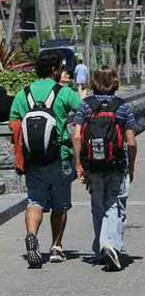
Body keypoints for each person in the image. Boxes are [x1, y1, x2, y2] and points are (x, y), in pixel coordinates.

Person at [9, 53, 80, 268]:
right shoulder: (64, 92)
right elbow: (83, 113)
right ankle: (56, 247)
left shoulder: (23, 94)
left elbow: (14, 124)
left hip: (33, 159)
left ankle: (32, 236)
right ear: (54, 70)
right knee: (60, 205)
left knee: (35, 201)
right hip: (60, 157)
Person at [72, 66, 138, 271]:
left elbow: (76, 136)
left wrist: (79, 164)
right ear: (115, 81)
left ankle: (101, 248)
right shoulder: (122, 107)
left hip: (93, 165)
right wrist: (131, 166)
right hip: (116, 164)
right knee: (113, 204)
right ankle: (109, 245)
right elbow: (132, 142)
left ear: (94, 82)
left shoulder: (86, 106)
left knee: (97, 205)